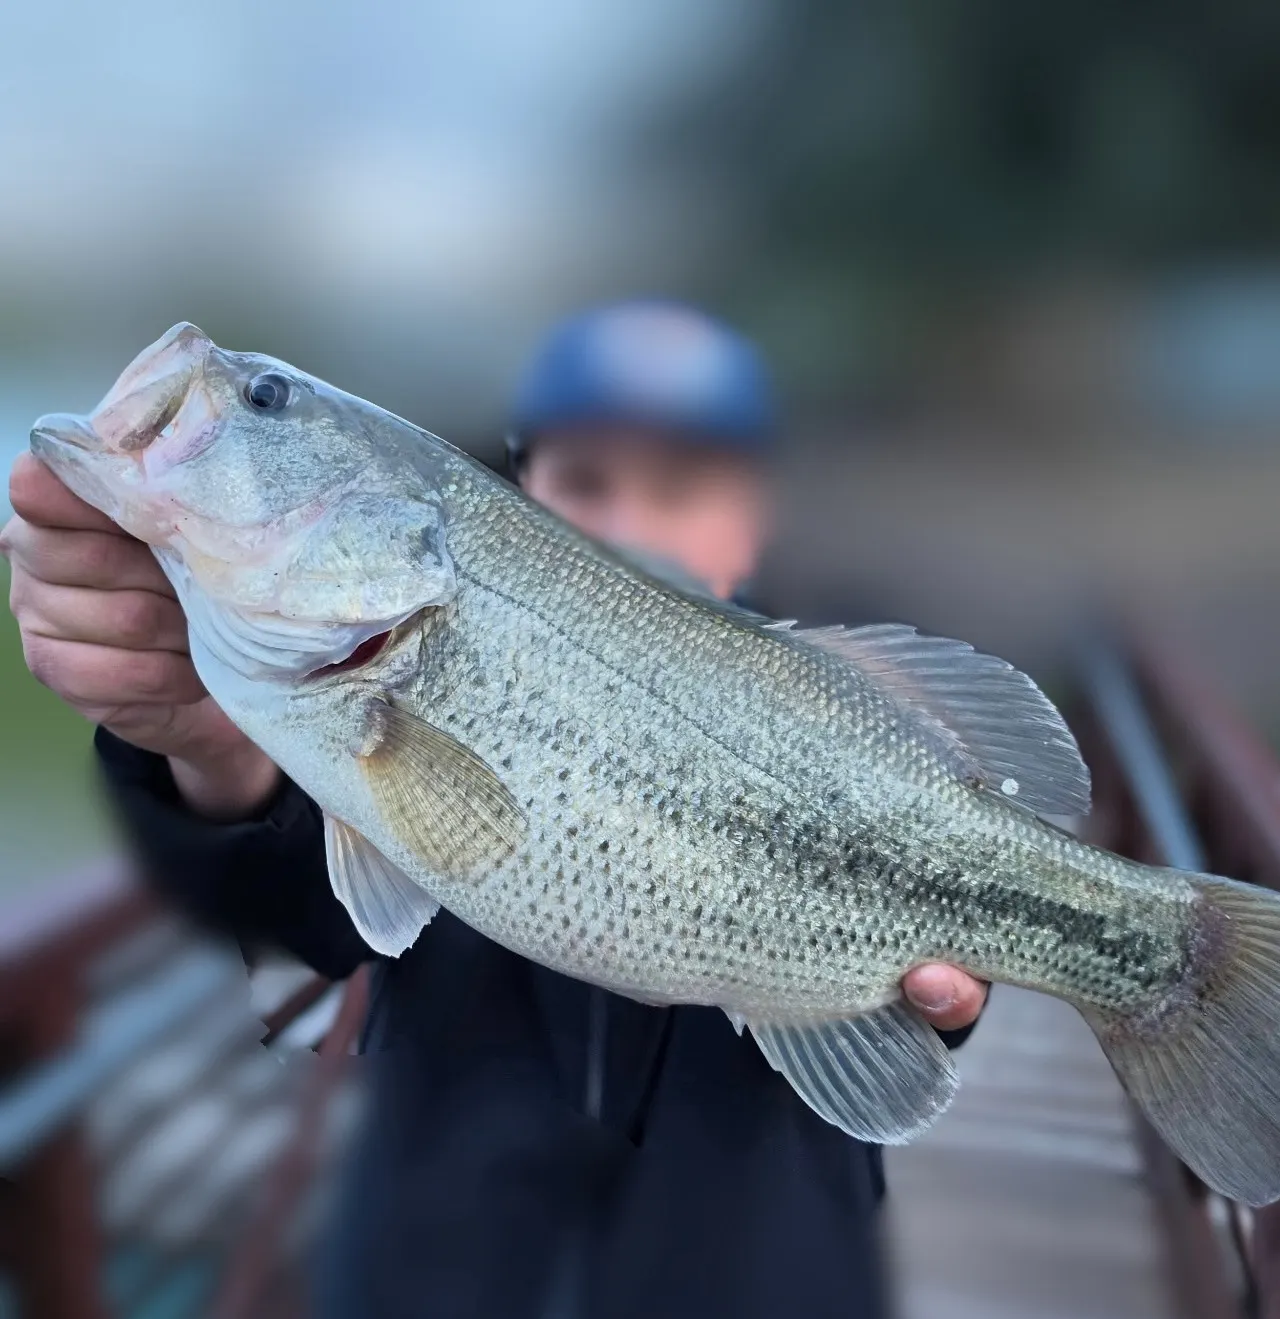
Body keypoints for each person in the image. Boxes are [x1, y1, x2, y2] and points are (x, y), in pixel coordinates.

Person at [3, 300, 987, 1319]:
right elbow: (297, 900)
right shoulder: (360, 670)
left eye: (680, 486)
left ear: (748, 514)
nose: (629, 522)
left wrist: (941, 980)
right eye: (586, 480)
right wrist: (209, 758)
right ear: (517, 490)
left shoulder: (838, 708)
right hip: (437, 1273)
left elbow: (934, 981)